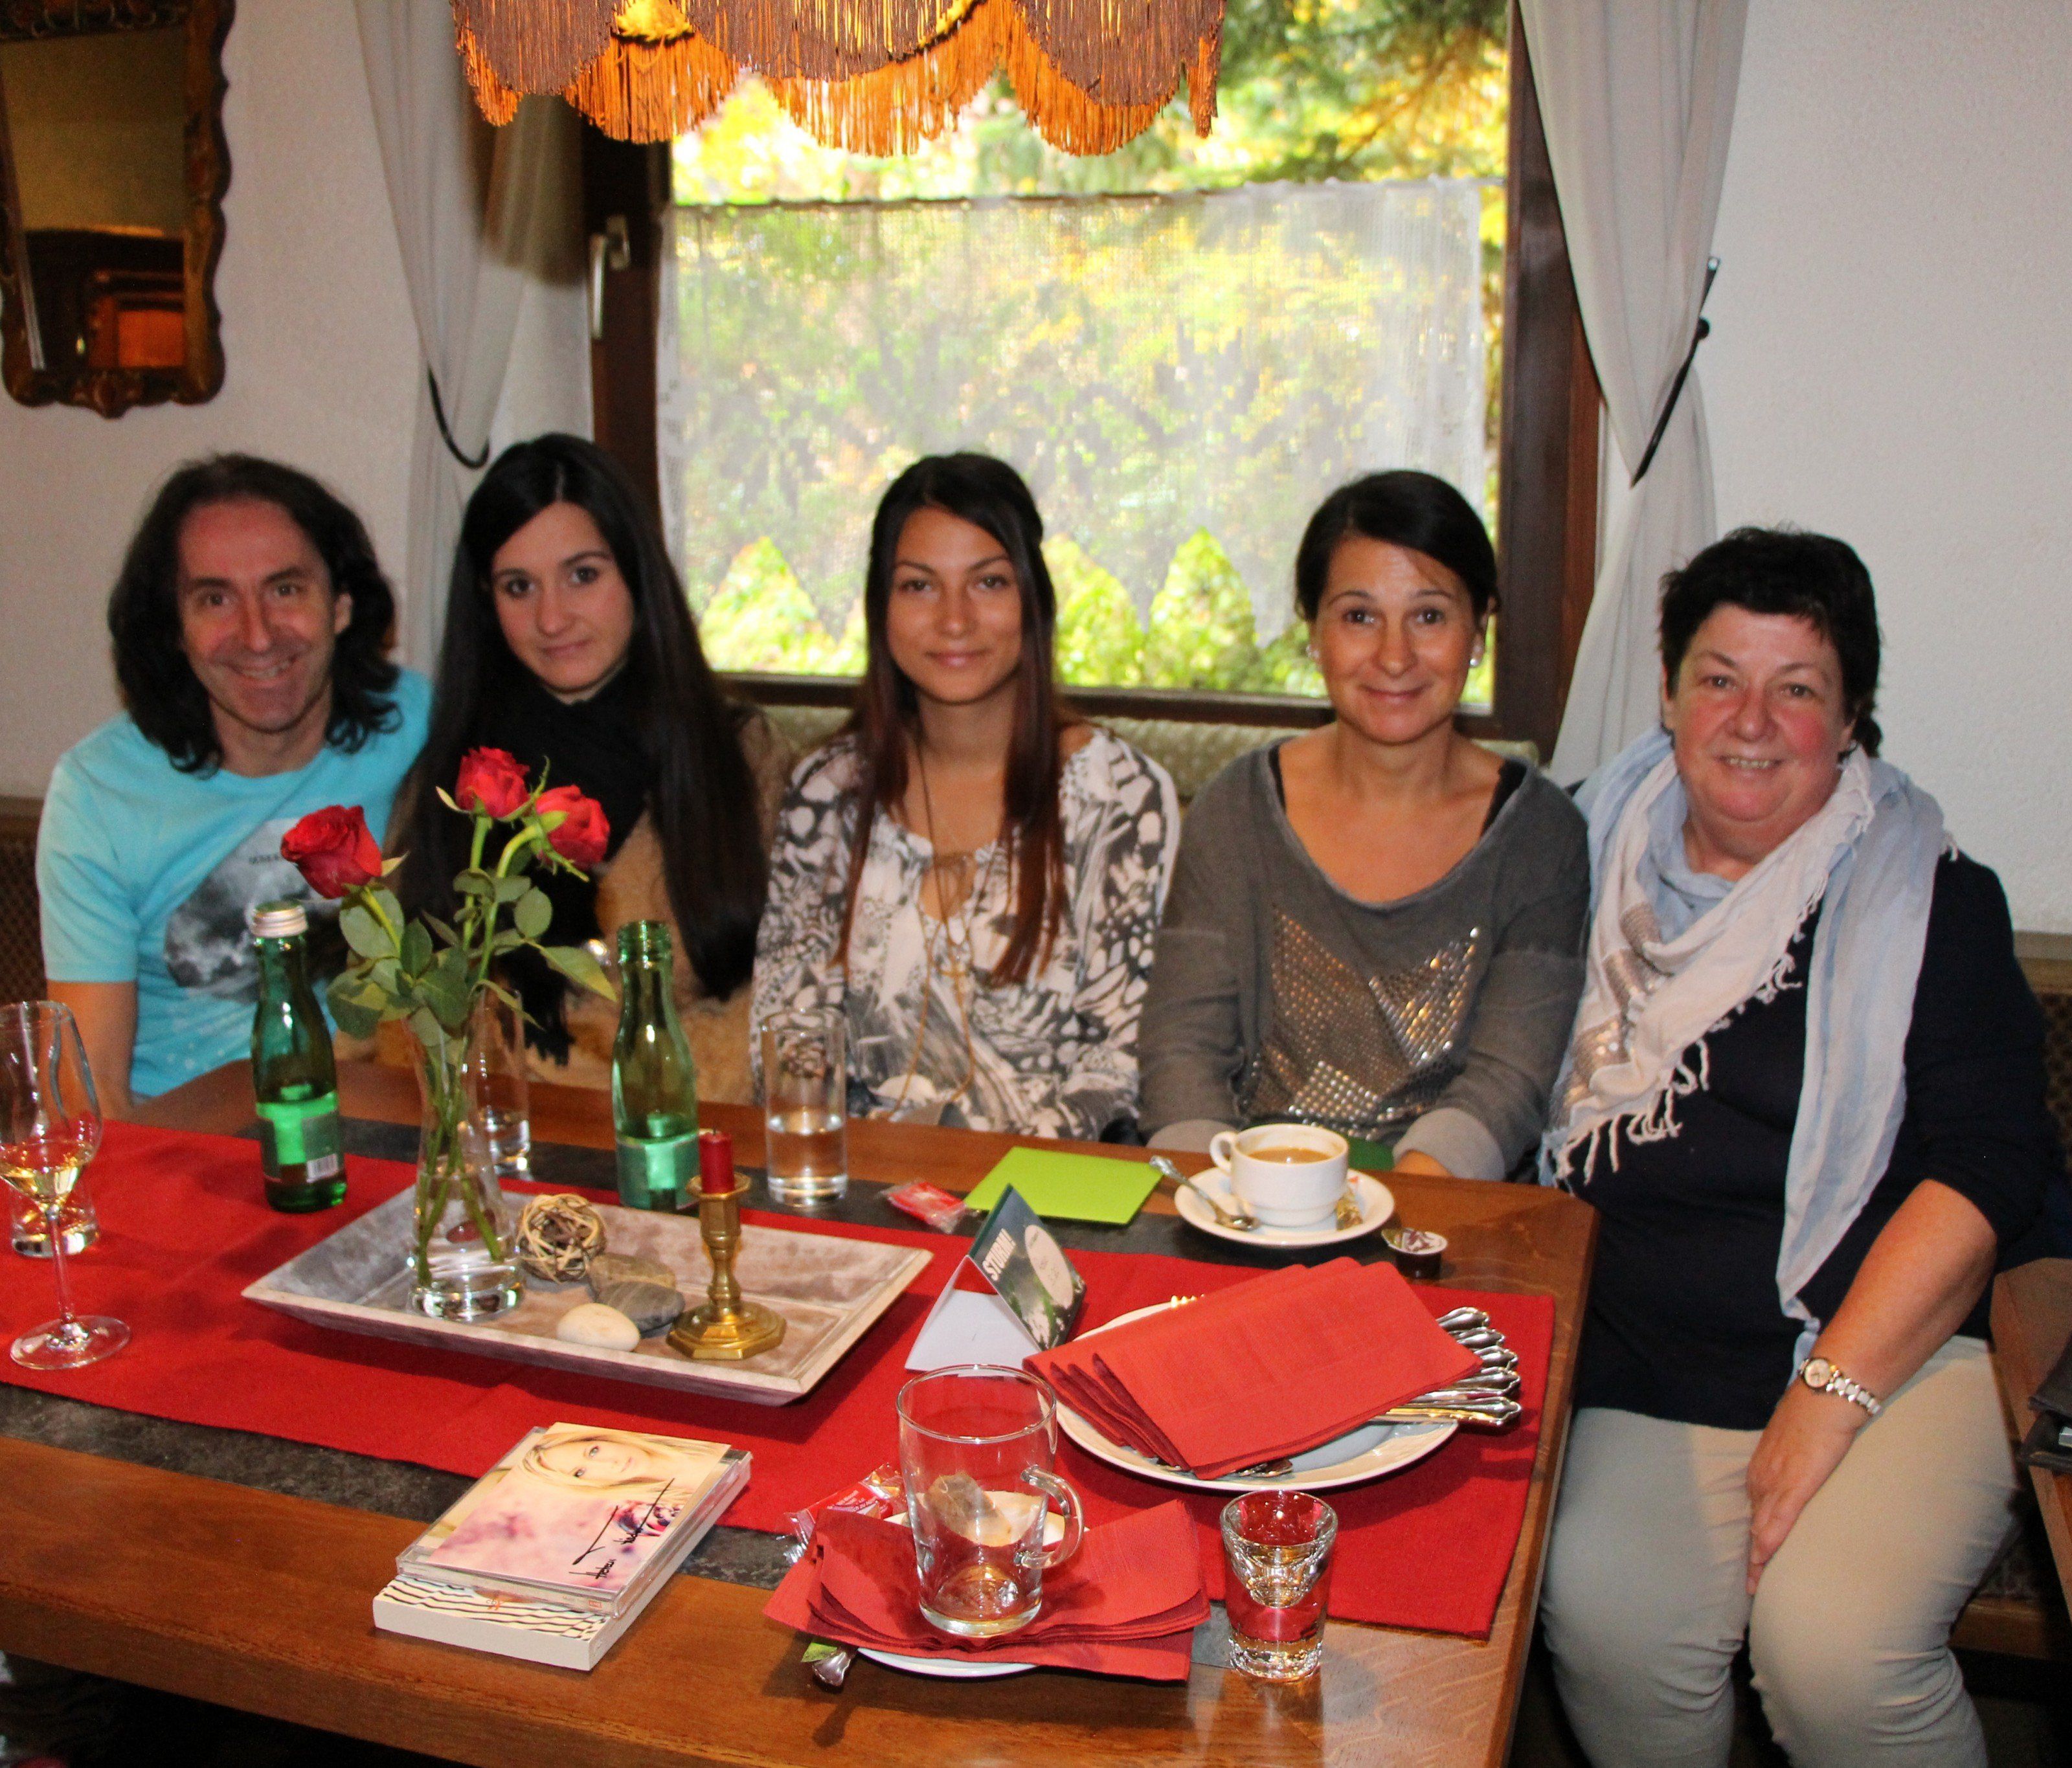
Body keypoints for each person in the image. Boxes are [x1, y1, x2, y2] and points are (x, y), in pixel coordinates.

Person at [1536, 528, 2062, 1768]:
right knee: (1607, 1619)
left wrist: (1828, 1401)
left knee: (1833, 1648)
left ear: (1854, 715)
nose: (1752, 720)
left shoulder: (1931, 895)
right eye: (1720, 677)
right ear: (1668, 694)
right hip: (1650, 1357)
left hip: (1905, 1348)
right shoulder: (1573, 851)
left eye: (1799, 687)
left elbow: (1991, 1165)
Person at [1138, 471, 1588, 1178]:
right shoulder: (1236, 811)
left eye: (1429, 616)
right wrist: (1222, 1202)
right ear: (1312, 631)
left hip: (1440, 1212)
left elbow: (1508, 1080)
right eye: (1357, 615)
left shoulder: (1541, 835)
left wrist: (1391, 1222)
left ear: (1479, 628)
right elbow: (1181, 1049)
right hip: (1242, 1200)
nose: (1393, 656)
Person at [751, 453, 1178, 1139]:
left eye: (987, 582)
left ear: (1031, 600)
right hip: (856, 1183)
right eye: (918, 586)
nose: (954, 620)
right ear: (880, 606)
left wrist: (977, 1190)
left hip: (1045, 1201)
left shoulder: (1119, 796)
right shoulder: (827, 792)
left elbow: (1115, 1063)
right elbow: (785, 1031)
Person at [390, 434, 786, 1100]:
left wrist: (625, 1089)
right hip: (504, 1138)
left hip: (699, 1135)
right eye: (519, 587)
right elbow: (406, 1013)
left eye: (582, 575)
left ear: (635, 574)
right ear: (486, 604)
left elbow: (782, 1002)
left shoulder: (740, 756)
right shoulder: (456, 779)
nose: (552, 618)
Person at [38, 456, 431, 1114]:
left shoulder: (417, 725)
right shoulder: (98, 796)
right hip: (185, 1156)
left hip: (381, 1140)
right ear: (175, 628)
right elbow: (90, 1087)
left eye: (285, 590)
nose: (257, 634)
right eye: (215, 599)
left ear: (340, 604)